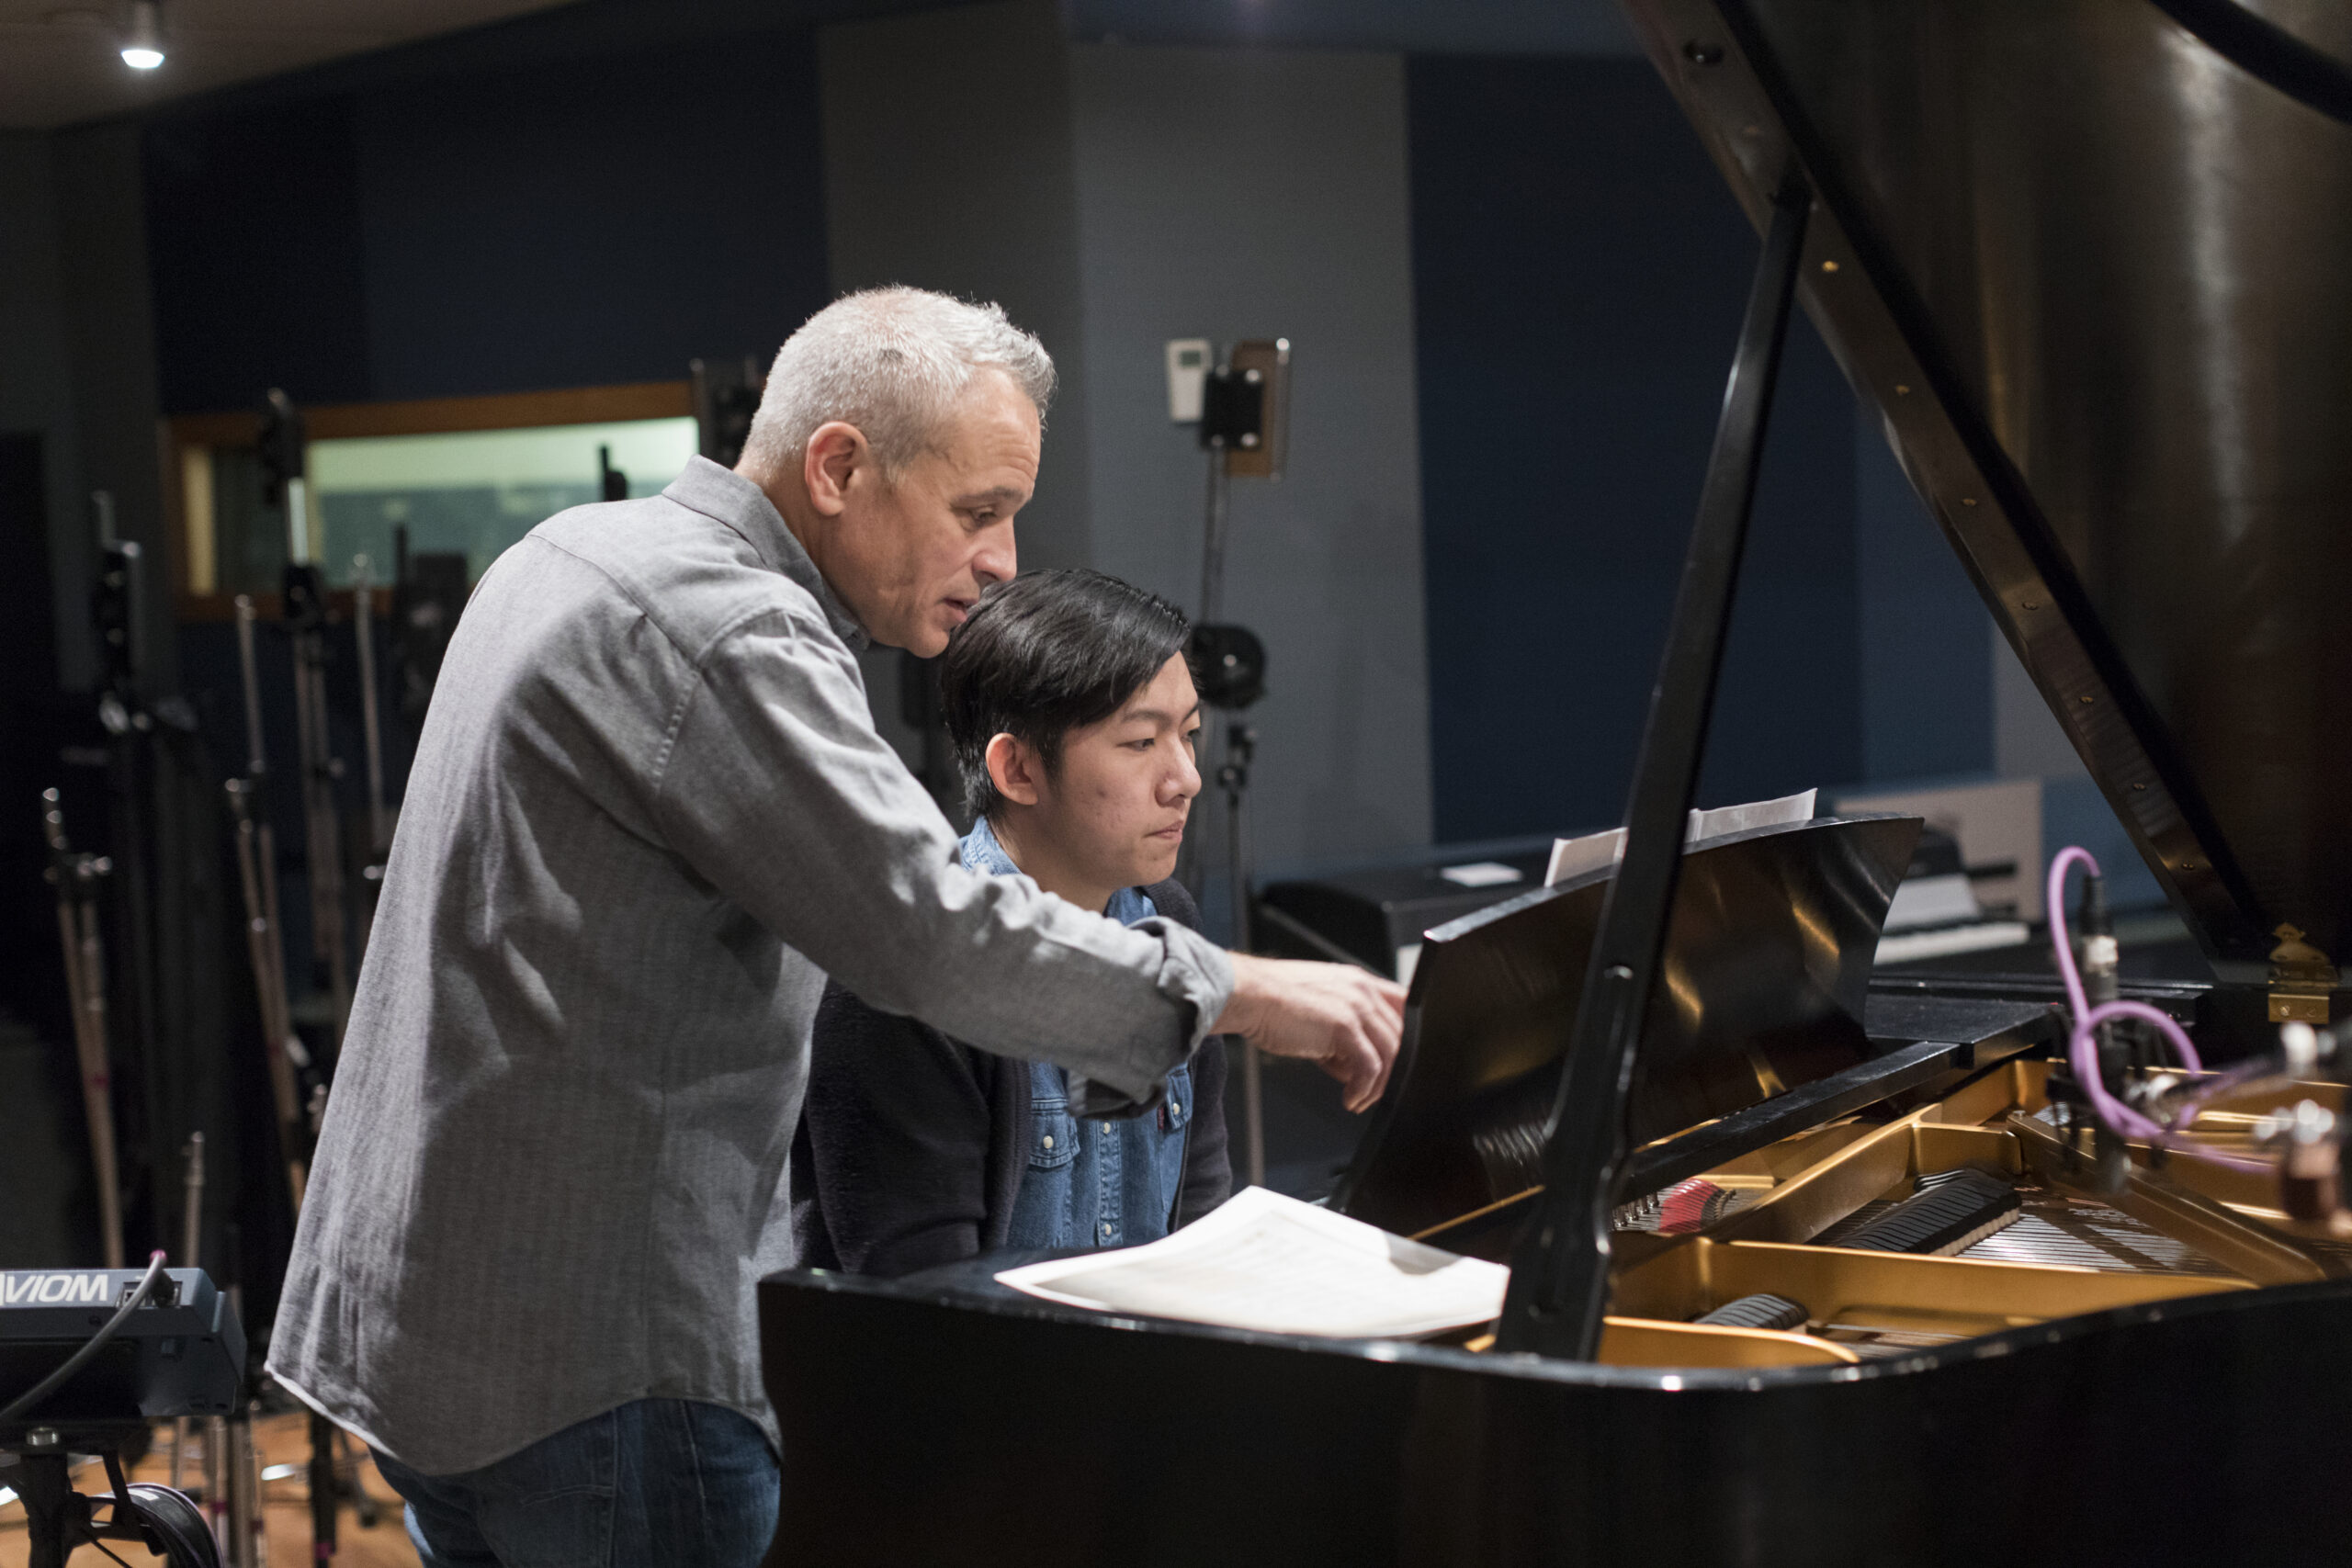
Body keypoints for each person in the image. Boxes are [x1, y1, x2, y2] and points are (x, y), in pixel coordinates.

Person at [264, 286, 1404, 1566]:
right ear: (840, 465)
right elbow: (931, 933)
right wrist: (1242, 992)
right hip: (604, 1364)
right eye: (977, 510)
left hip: (431, 1331)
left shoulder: (567, 553)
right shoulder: (731, 626)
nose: (1004, 560)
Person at [795, 569, 1230, 1276]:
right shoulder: (904, 981)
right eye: (1141, 743)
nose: (1186, 777)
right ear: (1019, 769)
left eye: (1189, 734)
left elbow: (1202, 1195)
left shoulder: (1168, 917)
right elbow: (920, 1290)